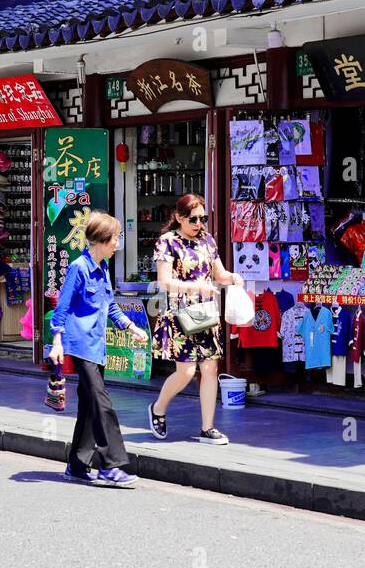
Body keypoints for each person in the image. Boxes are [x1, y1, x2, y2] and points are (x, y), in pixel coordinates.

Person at [48, 211, 148, 487]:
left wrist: (132, 327)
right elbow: (62, 308)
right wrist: (57, 341)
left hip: (97, 345)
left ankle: (77, 465)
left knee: (90, 406)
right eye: (115, 238)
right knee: (103, 405)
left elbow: (110, 306)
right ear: (102, 240)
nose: (117, 244)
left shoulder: (102, 267)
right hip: (81, 346)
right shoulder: (79, 268)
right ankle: (110, 466)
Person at [148, 193, 243, 445]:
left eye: (203, 218)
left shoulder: (207, 241)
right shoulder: (166, 242)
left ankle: (207, 427)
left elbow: (219, 273)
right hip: (181, 314)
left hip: (206, 314)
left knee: (210, 368)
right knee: (187, 371)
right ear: (179, 218)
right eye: (193, 219)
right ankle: (158, 408)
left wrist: (233, 277)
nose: (199, 224)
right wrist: (196, 288)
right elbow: (165, 282)